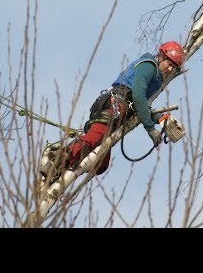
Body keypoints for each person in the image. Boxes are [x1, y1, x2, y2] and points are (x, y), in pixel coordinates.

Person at [40, 40, 186, 181]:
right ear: (161, 56)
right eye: (169, 63)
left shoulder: (157, 78)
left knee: (100, 164)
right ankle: (55, 162)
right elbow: (138, 96)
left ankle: (60, 171)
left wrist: (160, 119)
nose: (170, 69)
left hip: (123, 111)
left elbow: (141, 105)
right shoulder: (149, 66)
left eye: (174, 67)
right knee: (92, 140)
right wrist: (149, 127)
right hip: (115, 106)